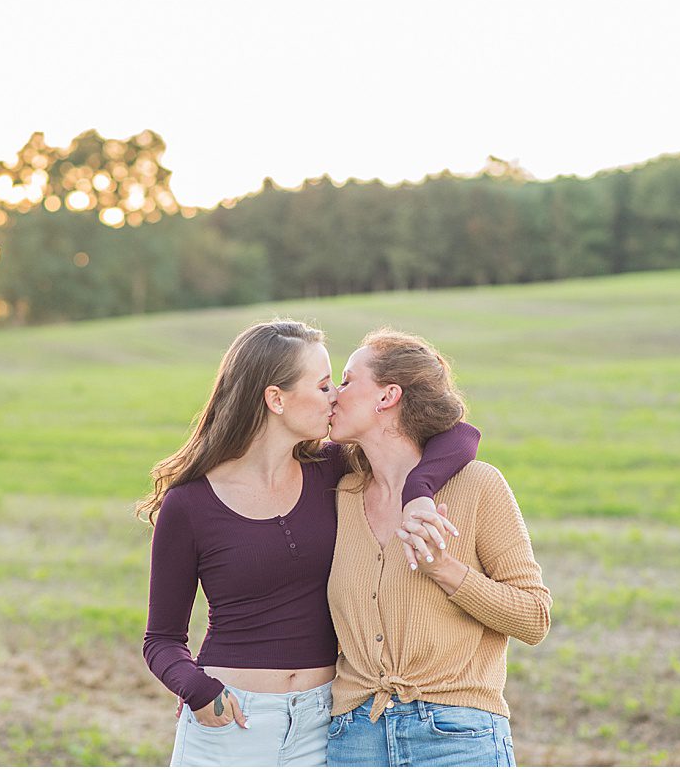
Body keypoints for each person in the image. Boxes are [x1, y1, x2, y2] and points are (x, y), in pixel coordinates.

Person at [137, 320, 480, 767]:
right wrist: (198, 689)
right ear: (275, 399)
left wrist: (419, 491)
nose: (335, 395)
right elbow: (161, 639)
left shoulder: (334, 470)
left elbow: (461, 435)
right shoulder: (190, 504)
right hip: (230, 723)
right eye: (322, 386)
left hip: (323, 725)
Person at [324, 328, 552, 768]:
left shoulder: (478, 486)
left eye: (348, 380)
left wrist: (446, 569)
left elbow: (534, 618)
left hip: (455, 737)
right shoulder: (339, 493)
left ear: (388, 396)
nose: (334, 393)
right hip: (354, 738)